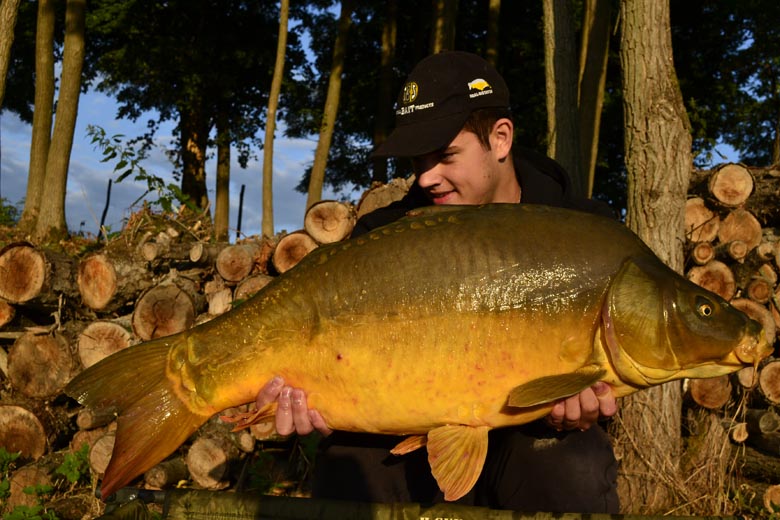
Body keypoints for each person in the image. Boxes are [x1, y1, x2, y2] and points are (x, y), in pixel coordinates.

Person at [255, 51, 620, 513]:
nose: (427, 177)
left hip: (531, 432)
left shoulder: (585, 231)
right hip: (407, 435)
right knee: (349, 461)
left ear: (501, 138)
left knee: (571, 466)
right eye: (418, 160)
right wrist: (321, 403)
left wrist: (583, 408)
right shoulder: (382, 236)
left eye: (446, 155)